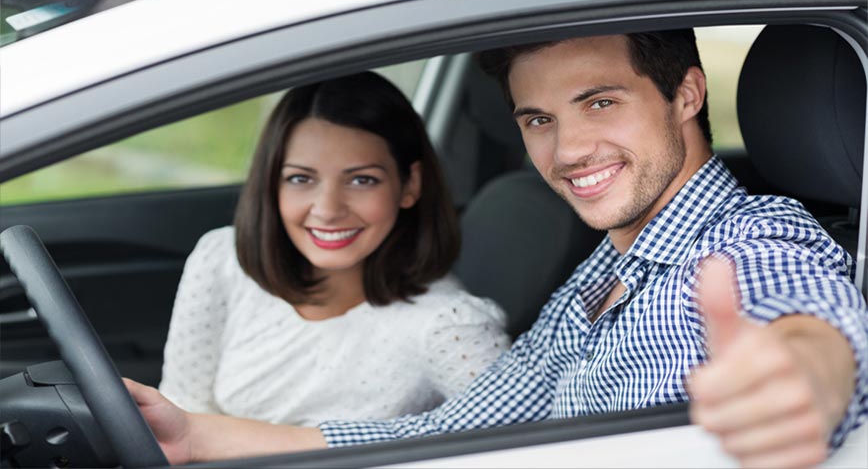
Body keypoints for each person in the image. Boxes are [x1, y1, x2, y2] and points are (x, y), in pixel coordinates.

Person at [126, 30, 868, 468]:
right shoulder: (596, 279)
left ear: (686, 94)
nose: (569, 148)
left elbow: (807, 318)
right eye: (538, 119)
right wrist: (195, 433)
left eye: (600, 101)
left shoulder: (752, 237)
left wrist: (804, 373)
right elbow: (448, 433)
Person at [152, 71, 510, 432]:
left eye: (361, 180)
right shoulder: (223, 259)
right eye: (301, 179)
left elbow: (521, 447)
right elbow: (183, 409)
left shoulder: (449, 325)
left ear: (409, 185)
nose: (327, 209)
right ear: (271, 184)